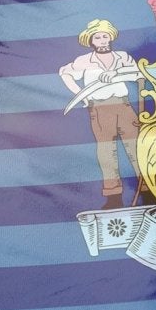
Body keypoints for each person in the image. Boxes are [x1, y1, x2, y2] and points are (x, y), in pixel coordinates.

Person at [60, 19, 143, 208]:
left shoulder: (122, 57)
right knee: (107, 152)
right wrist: (82, 97)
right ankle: (113, 196)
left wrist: (118, 73)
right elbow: (64, 72)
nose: (102, 40)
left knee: (137, 147)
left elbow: (138, 74)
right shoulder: (84, 61)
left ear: (110, 38)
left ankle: (147, 187)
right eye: (98, 37)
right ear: (91, 41)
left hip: (124, 106)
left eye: (105, 36)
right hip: (99, 108)